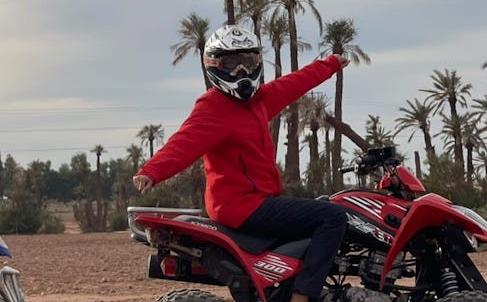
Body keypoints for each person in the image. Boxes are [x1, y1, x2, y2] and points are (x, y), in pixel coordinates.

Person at [132, 24, 349, 302]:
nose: (241, 73)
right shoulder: (214, 107)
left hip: (256, 201)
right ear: (214, 65)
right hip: (240, 205)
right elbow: (184, 141)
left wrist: (330, 64)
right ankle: (302, 297)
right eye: (231, 64)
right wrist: (152, 171)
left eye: (246, 62)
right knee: (332, 216)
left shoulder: (259, 101)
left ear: (257, 62)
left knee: (323, 207)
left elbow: (295, 83)